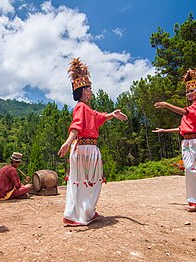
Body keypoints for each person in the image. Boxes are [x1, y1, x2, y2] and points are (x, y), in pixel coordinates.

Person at [58, 58, 128, 226]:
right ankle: (83, 213)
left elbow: (99, 117)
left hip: (84, 148)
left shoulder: (86, 109)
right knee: (90, 182)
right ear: (83, 91)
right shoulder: (81, 108)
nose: (91, 92)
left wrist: (112, 114)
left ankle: (78, 213)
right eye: (89, 89)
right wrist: (68, 142)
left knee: (83, 181)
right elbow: (76, 126)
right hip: (86, 148)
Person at [153, 66, 196, 212]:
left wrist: (166, 105)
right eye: (187, 91)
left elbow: (185, 112)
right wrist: (164, 130)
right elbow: (183, 128)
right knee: (191, 171)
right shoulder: (191, 110)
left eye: (191, 91)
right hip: (190, 142)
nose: (188, 93)